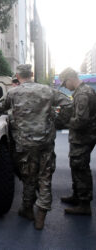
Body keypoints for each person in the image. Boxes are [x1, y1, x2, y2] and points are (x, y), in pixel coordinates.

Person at [0, 64, 72, 230]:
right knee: (45, 177)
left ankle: (27, 209)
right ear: (32, 74)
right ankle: (41, 214)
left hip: (24, 143)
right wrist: (57, 121)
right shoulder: (47, 90)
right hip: (45, 141)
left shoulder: (13, 92)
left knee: (29, 177)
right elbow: (68, 104)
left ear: (17, 75)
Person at [59, 67, 96, 215]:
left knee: (81, 168)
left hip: (83, 137)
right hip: (83, 136)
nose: (65, 87)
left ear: (70, 79)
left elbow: (81, 121)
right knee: (76, 165)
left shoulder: (82, 94)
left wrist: (65, 122)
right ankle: (77, 196)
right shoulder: (84, 91)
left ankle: (84, 204)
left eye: (64, 84)